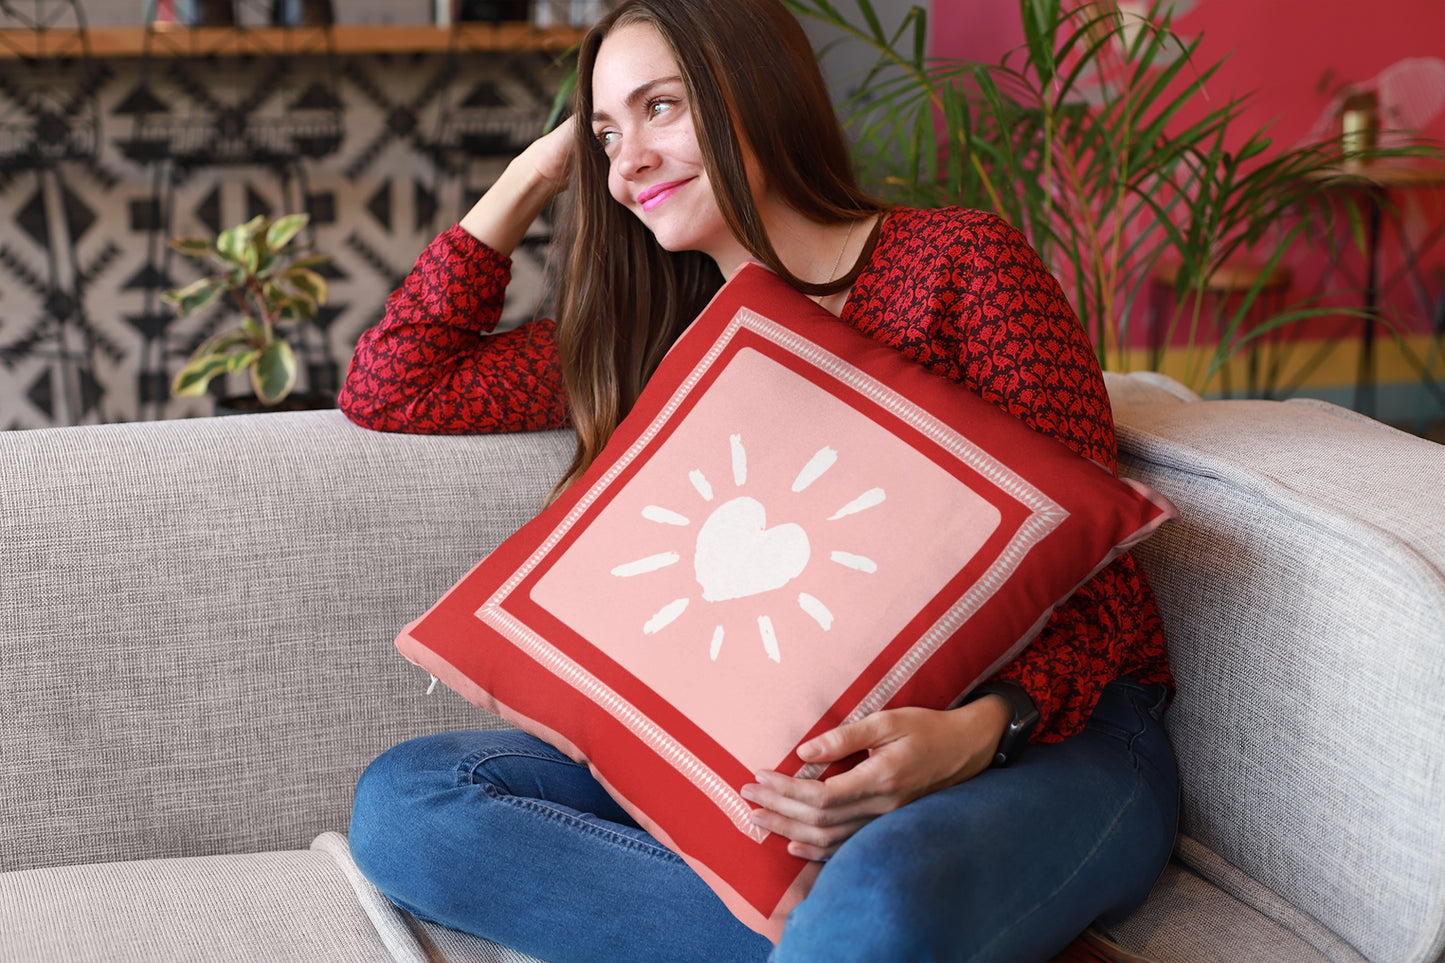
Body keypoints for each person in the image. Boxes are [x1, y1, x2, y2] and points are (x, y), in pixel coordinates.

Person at [344, 1, 1178, 960]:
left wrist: (973, 734)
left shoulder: (958, 265)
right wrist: (538, 165)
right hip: (765, 763)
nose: (628, 165)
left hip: (1051, 740)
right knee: (414, 803)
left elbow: (1098, 577)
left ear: (756, 91)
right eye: (606, 135)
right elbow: (393, 383)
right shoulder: (654, 342)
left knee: (885, 883)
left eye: (661, 108)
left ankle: (878, 928)